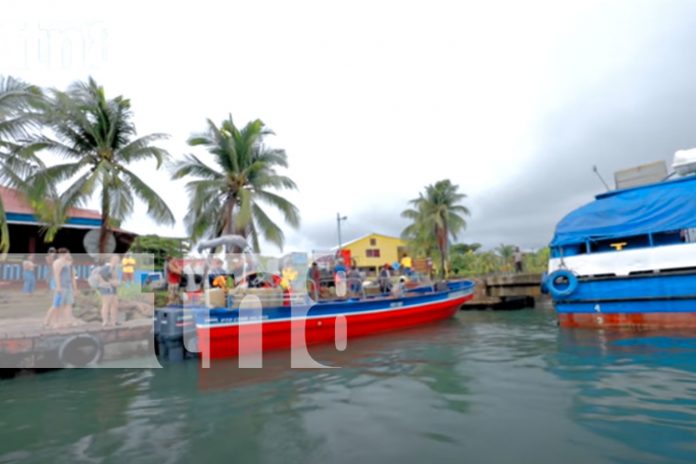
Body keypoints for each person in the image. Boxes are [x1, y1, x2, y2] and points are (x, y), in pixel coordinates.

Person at [45, 248, 80, 328]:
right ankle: (50, 322)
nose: (69, 255)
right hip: (61, 286)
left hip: (68, 287)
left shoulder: (69, 264)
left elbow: (72, 277)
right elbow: (56, 275)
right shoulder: (58, 262)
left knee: (68, 304)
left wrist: (75, 289)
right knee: (57, 305)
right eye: (68, 253)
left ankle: (68, 321)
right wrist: (58, 287)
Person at [98, 254, 121, 326]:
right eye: (115, 259)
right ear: (111, 259)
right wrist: (108, 283)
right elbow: (99, 276)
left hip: (113, 289)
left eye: (117, 259)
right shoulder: (107, 267)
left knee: (115, 304)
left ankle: (114, 321)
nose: (116, 261)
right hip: (106, 289)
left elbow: (115, 278)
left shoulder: (114, 268)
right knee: (106, 304)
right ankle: (105, 321)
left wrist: (115, 282)